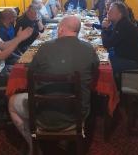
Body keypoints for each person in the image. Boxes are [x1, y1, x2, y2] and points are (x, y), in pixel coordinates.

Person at [9, 15, 99, 155]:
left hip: (44, 116)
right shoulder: (89, 49)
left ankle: (33, 146)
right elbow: (93, 73)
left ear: (61, 29)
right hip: (76, 115)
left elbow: (31, 74)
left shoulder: (45, 47)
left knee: (12, 102)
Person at [0, 6, 33, 87]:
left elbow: (3, 45)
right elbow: (1, 56)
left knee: (29, 68)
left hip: (1, 69)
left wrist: (18, 38)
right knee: (29, 77)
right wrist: (19, 39)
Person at [101, 2, 138, 73]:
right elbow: (111, 38)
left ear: (120, 14)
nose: (108, 12)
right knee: (103, 56)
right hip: (123, 55)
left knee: (102, 65)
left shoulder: (123, 26)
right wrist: (107, 28)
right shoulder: (120, 23)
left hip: (133, 61)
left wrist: (104, 29)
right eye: (108, 9)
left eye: (111, 10)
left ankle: (113, 82)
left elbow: (107, 44)